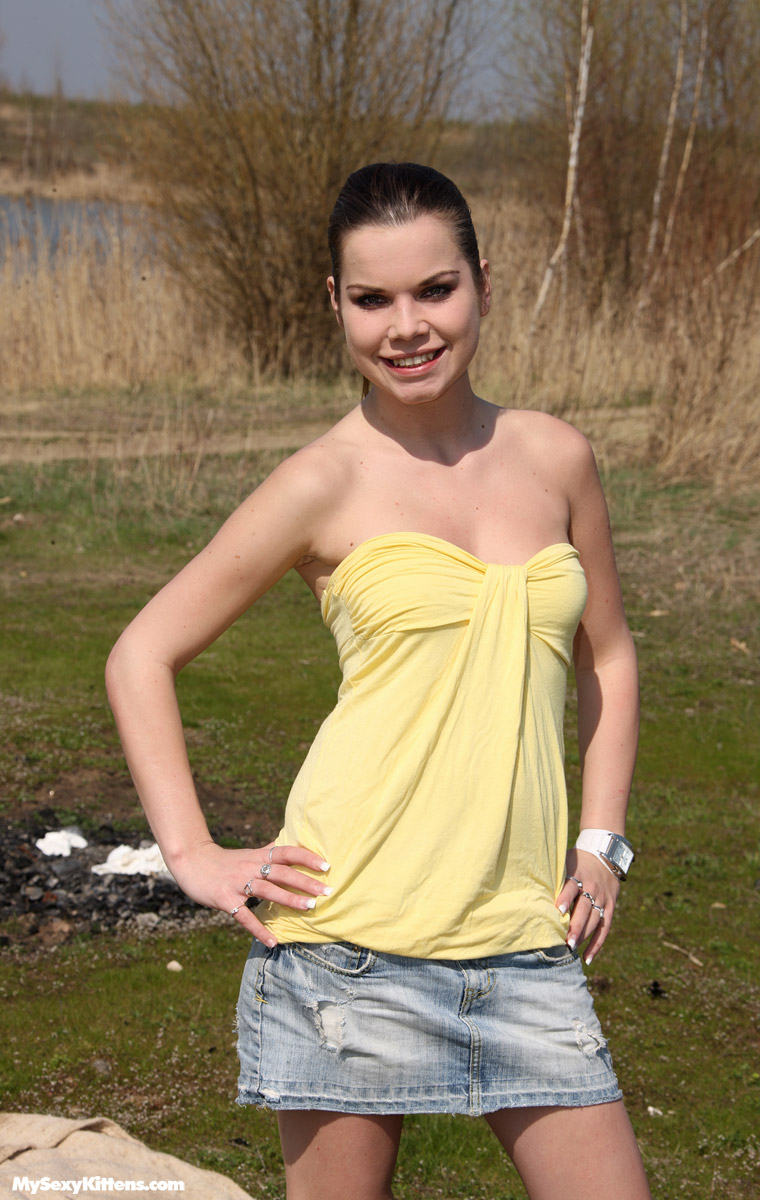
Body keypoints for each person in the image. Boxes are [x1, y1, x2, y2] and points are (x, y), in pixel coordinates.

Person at [106, 162, 650, 1200]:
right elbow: (141, 653)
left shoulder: (555, 457)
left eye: (434, 289)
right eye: (372, 299)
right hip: (344, 952)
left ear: (482, 282)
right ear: (336, 304)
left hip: (525, 946)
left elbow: (609, 656)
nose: (407, 327)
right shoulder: (321, 480)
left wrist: (601, 841)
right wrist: (191, 852)